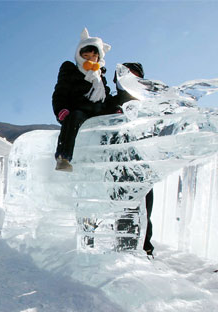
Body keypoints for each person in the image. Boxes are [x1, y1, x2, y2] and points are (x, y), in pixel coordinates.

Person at [52, 28, 112, 172]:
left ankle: (109, 160)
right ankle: (63, 157)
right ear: (79, 55)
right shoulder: (71, 70)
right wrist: (61, 109)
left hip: (98, 112)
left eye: (93, 56)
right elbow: (60, 92)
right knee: (74, 118)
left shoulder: (100, 78)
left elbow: (107, 98)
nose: (90, 59)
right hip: (79, 110)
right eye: (86, 55)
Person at [111, 62, 155, 257]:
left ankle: (145, 250)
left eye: (134, 74)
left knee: (144, 212)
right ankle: (121, 252)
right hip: (116, 168)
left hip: (142, 168)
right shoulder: (109, 103)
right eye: (125, 74)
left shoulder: (148, 104)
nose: (129, 78)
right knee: (121, 212)